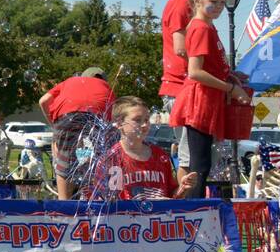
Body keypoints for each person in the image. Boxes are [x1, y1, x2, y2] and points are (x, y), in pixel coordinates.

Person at [170, 0, 249, 198]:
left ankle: (194, 212)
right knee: (200, 164)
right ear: (197, 0)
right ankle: (193, 213)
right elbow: (195, 71)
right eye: (213, 1)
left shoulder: (207, 27)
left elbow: (208, 67)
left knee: (202, 163)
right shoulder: (201, 27)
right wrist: (231, 89)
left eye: (222, 2)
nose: (219, 7)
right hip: (200, 101)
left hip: (206, 99)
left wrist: (230, 75)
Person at [160, 0, 215, 182]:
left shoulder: (188, 3)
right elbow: (181, 46)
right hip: (182, 87)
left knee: (193, 156)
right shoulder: (182, 2)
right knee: (189, 157)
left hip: (187, 88)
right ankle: (184, 206)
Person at [94, 96, 197, 200]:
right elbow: (110, 202)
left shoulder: (160, 155)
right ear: (119, 123)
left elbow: (172, 196)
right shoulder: (113, 158)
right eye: (137, 120)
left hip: (159, 215)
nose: (144, 124)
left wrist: (183, 188)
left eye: (147, 119)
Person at [38, 67, 114, 200]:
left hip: (68, 116)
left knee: (64, 158)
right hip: (97, 117)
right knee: (96, 160)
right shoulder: (106, 88)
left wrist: (55, 126)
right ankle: (92, 198)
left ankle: (63, 202)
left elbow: (43, 101)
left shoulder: (70, 81)